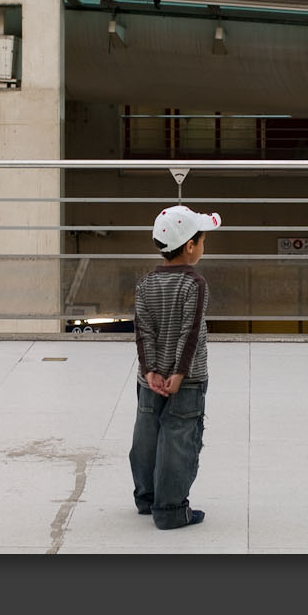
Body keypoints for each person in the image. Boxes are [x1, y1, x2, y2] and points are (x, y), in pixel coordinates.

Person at [129, 203, 221, 529]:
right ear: (190, 246)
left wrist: (150, 370)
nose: (203, 247)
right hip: (188, 380)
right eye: (202, 241)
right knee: (179, 439)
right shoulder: (194, 284)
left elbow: (144, 333)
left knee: (147, 434)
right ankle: (169, 510)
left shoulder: (144, 284)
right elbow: (190, 332)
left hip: (149, 380)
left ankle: (147, 498)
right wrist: (179, 375)